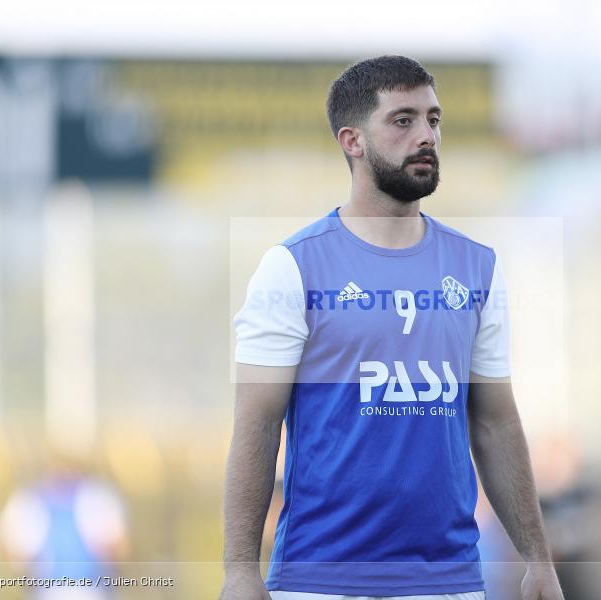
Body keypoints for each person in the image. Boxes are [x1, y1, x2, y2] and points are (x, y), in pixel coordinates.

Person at [221, 55, 565, 600]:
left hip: (446, 582)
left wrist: (538, 560)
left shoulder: (478, 269)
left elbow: (496, 423)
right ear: (352, 141)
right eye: (402, 120)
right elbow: (257, 426)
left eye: (433, 119)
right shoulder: (293, 269)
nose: (426, 135)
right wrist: (239, 571)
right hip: (319, 581)